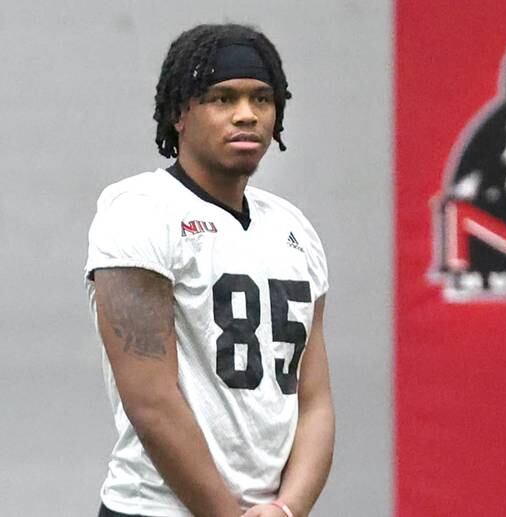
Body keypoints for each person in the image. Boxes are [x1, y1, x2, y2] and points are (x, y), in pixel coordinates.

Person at [84, 23, 334, 517]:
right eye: (222, 98)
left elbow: (316, 400)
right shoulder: (140, 212)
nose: (247, 115)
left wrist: (287, 509)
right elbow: (151, 401)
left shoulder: (293, 228)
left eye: (262, 99)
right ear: (180, 112)